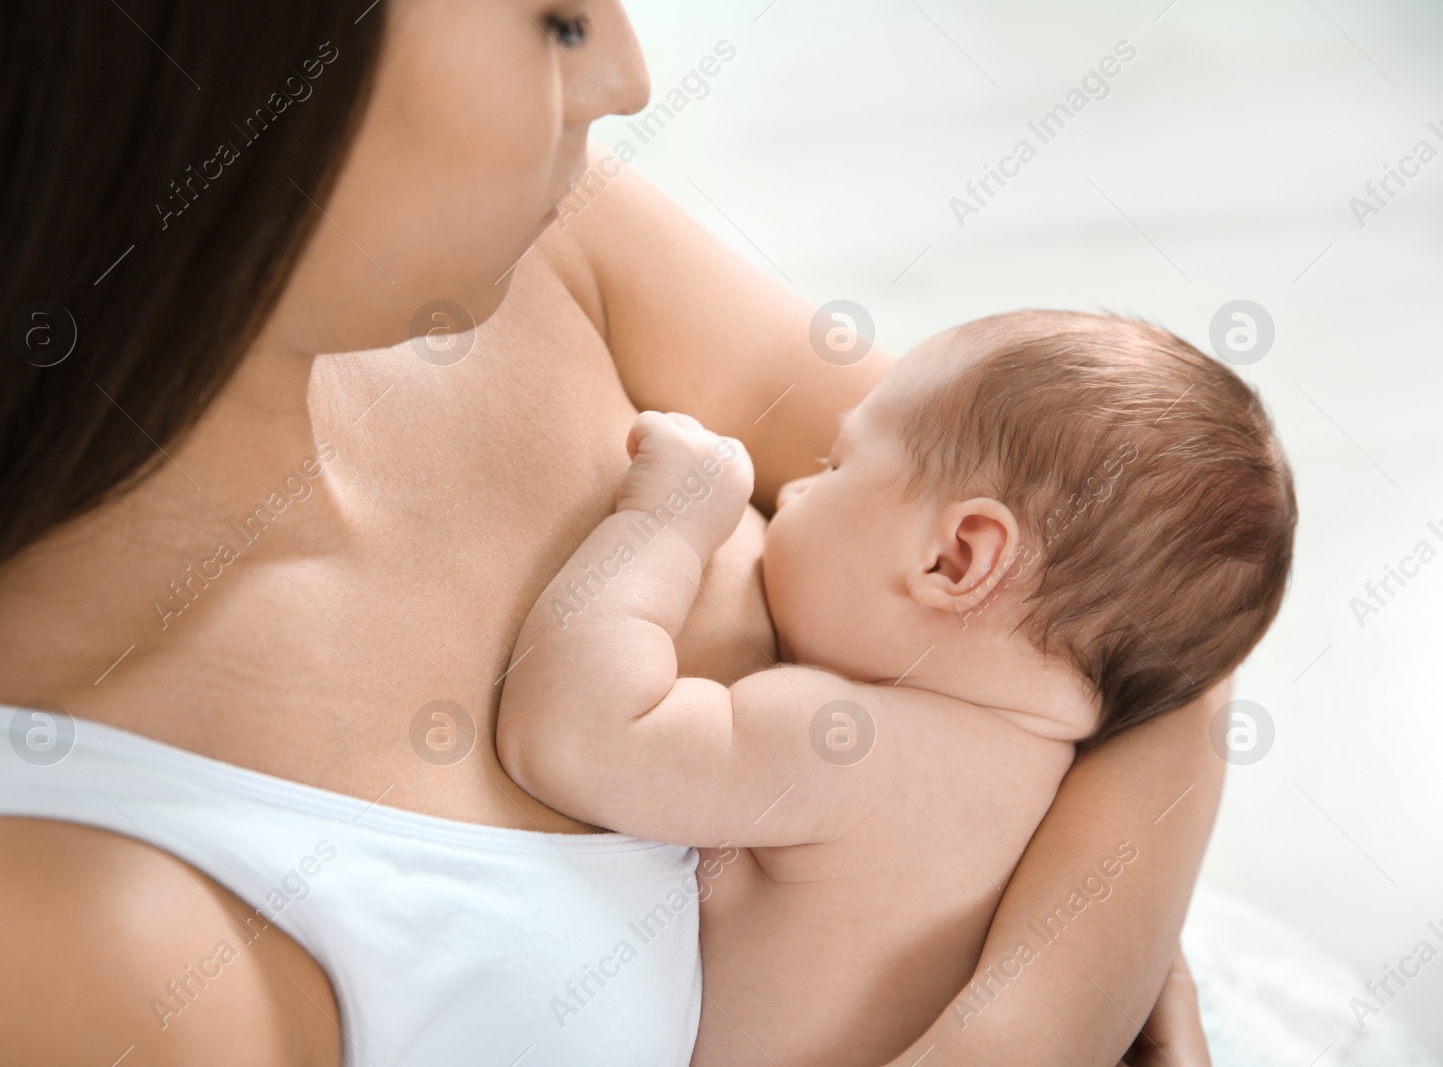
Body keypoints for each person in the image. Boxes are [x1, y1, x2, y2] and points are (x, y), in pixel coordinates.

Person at [0, 2, 1221, 1064]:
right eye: (551, 16)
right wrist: (1094, 929)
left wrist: (1035, 1004)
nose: (626, 69)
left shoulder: (547, 245)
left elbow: (1134, 565)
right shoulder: (19, 906)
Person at [499, 311, 1296, 1065]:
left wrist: (666, 523)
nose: (796, 493)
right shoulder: (1059, 793)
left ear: (954, 560)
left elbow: (572, 738)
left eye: (836, 464)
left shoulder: (843, 743)